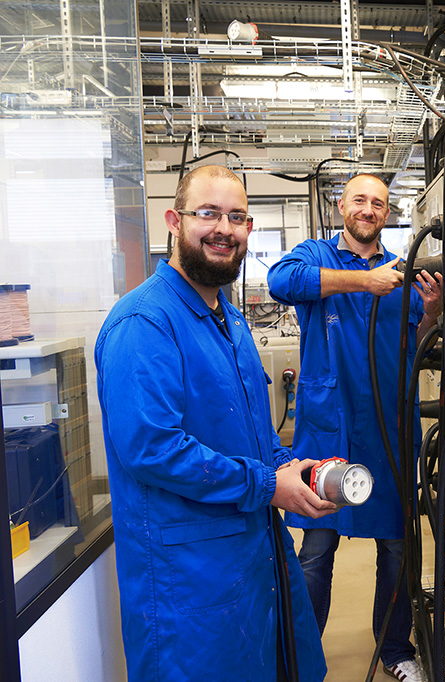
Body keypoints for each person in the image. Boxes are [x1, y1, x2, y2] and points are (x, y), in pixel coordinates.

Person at [95, 165, 335, 682]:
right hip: (189, 584)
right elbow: (153, 448)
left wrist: (293, 469)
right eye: (207, 213)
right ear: (174, 222)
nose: (223, 228)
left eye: (236, 217)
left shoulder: (230, 320)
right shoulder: (144, 323)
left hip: (253, 558)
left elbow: (254, 434)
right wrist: (270, 485)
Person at [267, 173, 442, 682]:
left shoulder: (403, 272)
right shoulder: (313, 255)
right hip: (329, 433)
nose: (369, 209)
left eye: (379, 204)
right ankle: (300, 658)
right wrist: (366, 280)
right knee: (317, 551)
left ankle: (395, 649)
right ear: (342, 205)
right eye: (360, 200)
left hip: (388, 431)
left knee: (397, 549)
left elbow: (417, 341)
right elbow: (281, 282)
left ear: (388, 214)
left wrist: (429, 314)